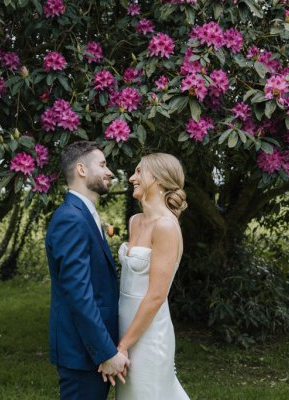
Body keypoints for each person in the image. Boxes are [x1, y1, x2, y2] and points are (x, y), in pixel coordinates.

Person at [45, 141, 130, 400]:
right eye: (103, 165)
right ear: (81, 169)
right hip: (82, 352)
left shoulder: (83, 214)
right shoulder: (71, 218)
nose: (110, 172)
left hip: (90, 348)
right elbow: (79, 294)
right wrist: (105, 352)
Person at [114, 153, 190, 400]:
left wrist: (123, 346)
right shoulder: (135, 221)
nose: (132, 178)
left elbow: (157, 296)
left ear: (157, 180)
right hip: (125, 324)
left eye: (139, 172)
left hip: (149, 332)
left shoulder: (166, 226)